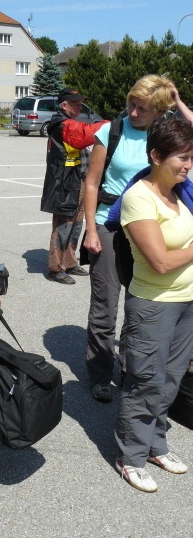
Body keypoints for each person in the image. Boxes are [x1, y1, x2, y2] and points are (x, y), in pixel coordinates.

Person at [83, 75, 178, 403]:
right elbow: (91, 183)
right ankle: (99, 373)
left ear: (160, 111)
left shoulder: (165, 135)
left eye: (143, 108)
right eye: (131, 104)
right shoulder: (110, 131)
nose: (134, 112)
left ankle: (129, 370)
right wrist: (91, 230)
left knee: (138, 305)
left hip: (149, 228)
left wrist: (179, 102)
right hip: (108, 226)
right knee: (105, 306)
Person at [115, 117, 193, 492]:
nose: (188, 165)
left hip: (186, 301)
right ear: (157, 156)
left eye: (191, 157)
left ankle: (155, 445)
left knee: (171, 380)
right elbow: (160, 262)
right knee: (145, 381)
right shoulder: (138, 198)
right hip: (153, 304)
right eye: (183, 157)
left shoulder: (181, 193)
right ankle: (130, 456)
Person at [41, 87, 108, 284]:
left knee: (76, 224)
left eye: (80, 103)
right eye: (75, 103)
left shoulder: (69, 122)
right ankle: (56, 268)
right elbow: (85, 134)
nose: (80, 106)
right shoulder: (62, 124)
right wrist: (112, 124)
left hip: (79, 180)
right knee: (63, 225)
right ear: (64, 105)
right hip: (66, 183)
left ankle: (70, 262)